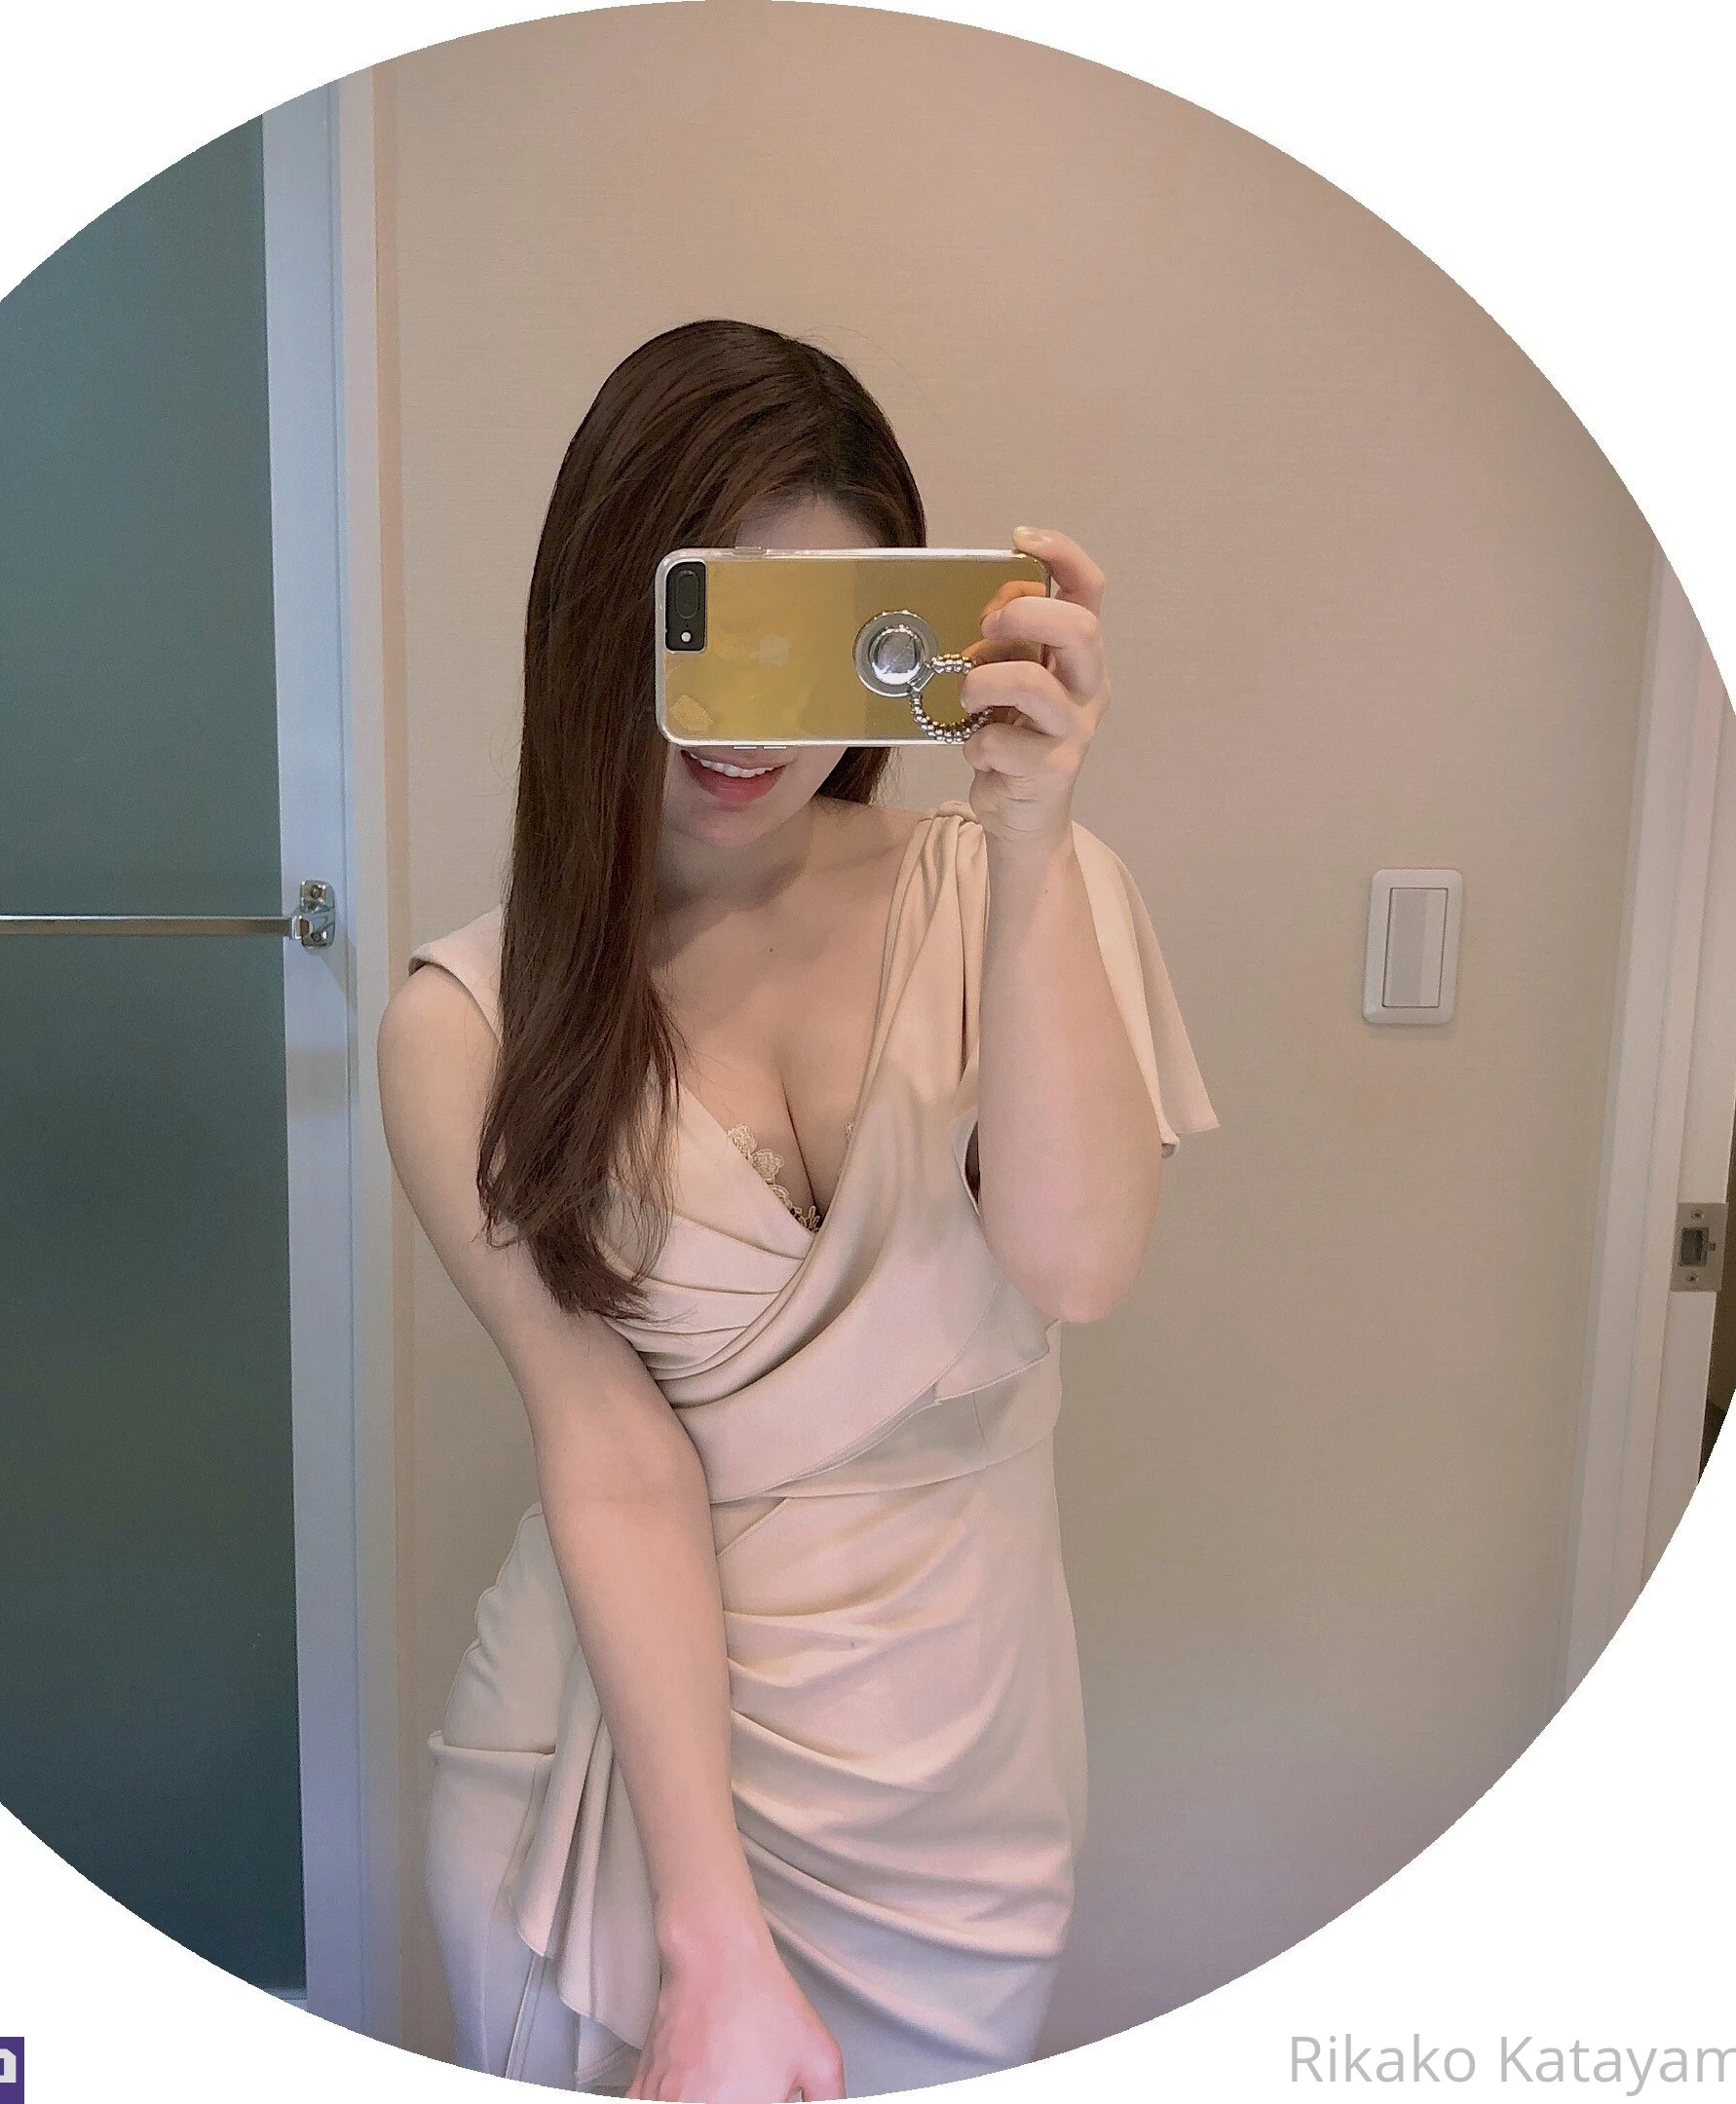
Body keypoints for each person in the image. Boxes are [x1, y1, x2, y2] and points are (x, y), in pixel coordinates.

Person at [376, 319, 1218, 2102]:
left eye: (812, 638)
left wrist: (1033, 844)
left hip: (958, 1783)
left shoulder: (1022, 890)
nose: (754, 723)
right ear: (596, 620)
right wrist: (712, 1944)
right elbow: (614, 1459)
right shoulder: (470, 1023)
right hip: (613, 1792)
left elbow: (1080, 1262)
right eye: (710, 631)